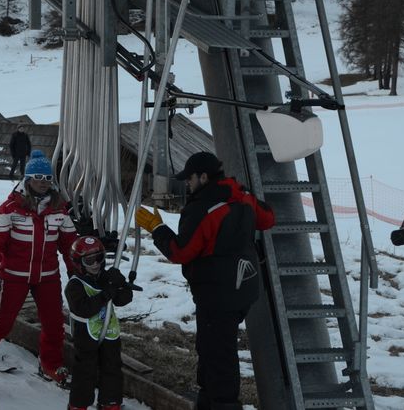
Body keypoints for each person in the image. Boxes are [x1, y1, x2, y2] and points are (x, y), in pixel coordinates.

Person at [134, 151, 275, 410]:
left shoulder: (204, 207)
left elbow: (180, 251)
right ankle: (209, 401)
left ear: (204, 176)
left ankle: (222, 404)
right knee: (212, 348)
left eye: (190, 178)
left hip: (217, 292)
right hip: (243, 286)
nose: (186, 183)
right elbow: (268, 219)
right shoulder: (241, 196)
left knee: (218, 355)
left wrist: (158, 229)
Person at [0, 149, 77, 387]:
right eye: (38, 178)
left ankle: (50, 364)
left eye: (47, 180)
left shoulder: (59, 209)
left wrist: (76, 271)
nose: (43, 184)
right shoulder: (10, 208)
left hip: (47, 276)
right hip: (14, 275)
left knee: (54, 324)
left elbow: (68, 244)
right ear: (27, 179)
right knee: (1, 322)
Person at [65, 237, 133, 410]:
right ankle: (79, 405)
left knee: (112, 368)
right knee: (85, 372)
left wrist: (120, 285)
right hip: (86, 335)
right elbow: (84, 309)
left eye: (99, 258)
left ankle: (110, 402)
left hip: (109, 332)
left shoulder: (105, 278)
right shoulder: (75, 285)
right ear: (79, 262)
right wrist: (106, 293)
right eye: (89, 261)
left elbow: (123, 299)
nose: (95, 264)